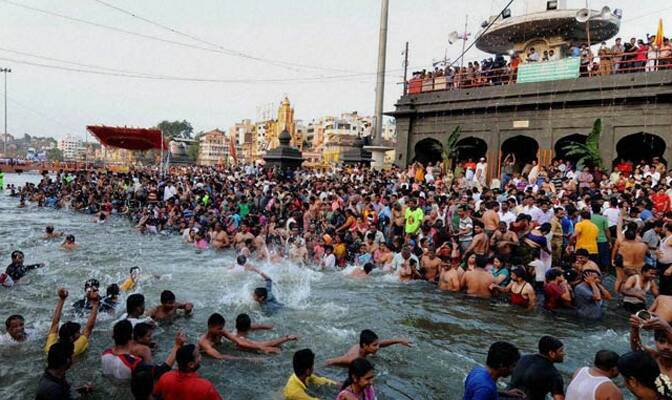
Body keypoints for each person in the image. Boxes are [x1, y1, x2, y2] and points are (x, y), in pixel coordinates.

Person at [153, 344, 223, 400]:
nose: (200, 358)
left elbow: (155, 395)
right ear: (191, 364)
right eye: (198, 355)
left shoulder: (165, 378)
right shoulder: (205, 387)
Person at [44, 288, 99, 356]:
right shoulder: (75, 349)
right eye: (78, 332)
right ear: (71, 338)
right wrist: (96, 303)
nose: (80, 333)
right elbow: (89, 327)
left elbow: (55, 324)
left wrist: (61, 299)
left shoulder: (49, 348)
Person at [509, 336, 566, 400]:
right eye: (561, 351)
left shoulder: (523, 358)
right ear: (552, 353)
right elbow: (559, 399)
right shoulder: (554, 374)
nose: (564, 353)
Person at [198, 312, 273, 359]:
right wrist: (247, 359)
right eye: (219, 329)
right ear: (210, 327)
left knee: (244, 346)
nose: (221, 330)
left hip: (220, 347)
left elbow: (239, 341)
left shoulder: (221, 331)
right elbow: (220, 356)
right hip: (206, 356)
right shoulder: (204, 342)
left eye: (222, 328)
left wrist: (262, 348)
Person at [325, 329, 412, 367]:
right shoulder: (353, 359)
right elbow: (329, 361)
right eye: (375, 345)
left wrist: (399, 340)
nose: (378, 347)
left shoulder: (366, 347)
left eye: (377, 344)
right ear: (365, 345)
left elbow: (382, 343)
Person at [630, 314, 672, 379]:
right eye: (661, 341)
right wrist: (635, 328)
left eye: (671, 343)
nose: (666, 347)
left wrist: (667, 328)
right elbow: (636, 349)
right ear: (655, 341)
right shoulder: (653, 357)